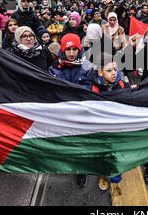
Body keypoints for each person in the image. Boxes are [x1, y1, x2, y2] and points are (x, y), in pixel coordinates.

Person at [49, 33, 94, 188]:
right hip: (63, 114)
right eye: (68, 49)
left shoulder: (87, 67)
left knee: (82, 144)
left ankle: (81, 170)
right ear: (63, 50)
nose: (72, 53)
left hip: (81, 113)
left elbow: (89, 88)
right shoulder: (53, 68)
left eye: (75, 49)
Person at [92, 53, 128, 206]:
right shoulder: (93, 88)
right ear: (100, 72)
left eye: (115, 69)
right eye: (109, 70)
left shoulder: (120, 83)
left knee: (116, 157)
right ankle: (102, 173)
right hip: (100, 129)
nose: (114, 73)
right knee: (102, 154)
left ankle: (115, 184)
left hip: (117, 128)